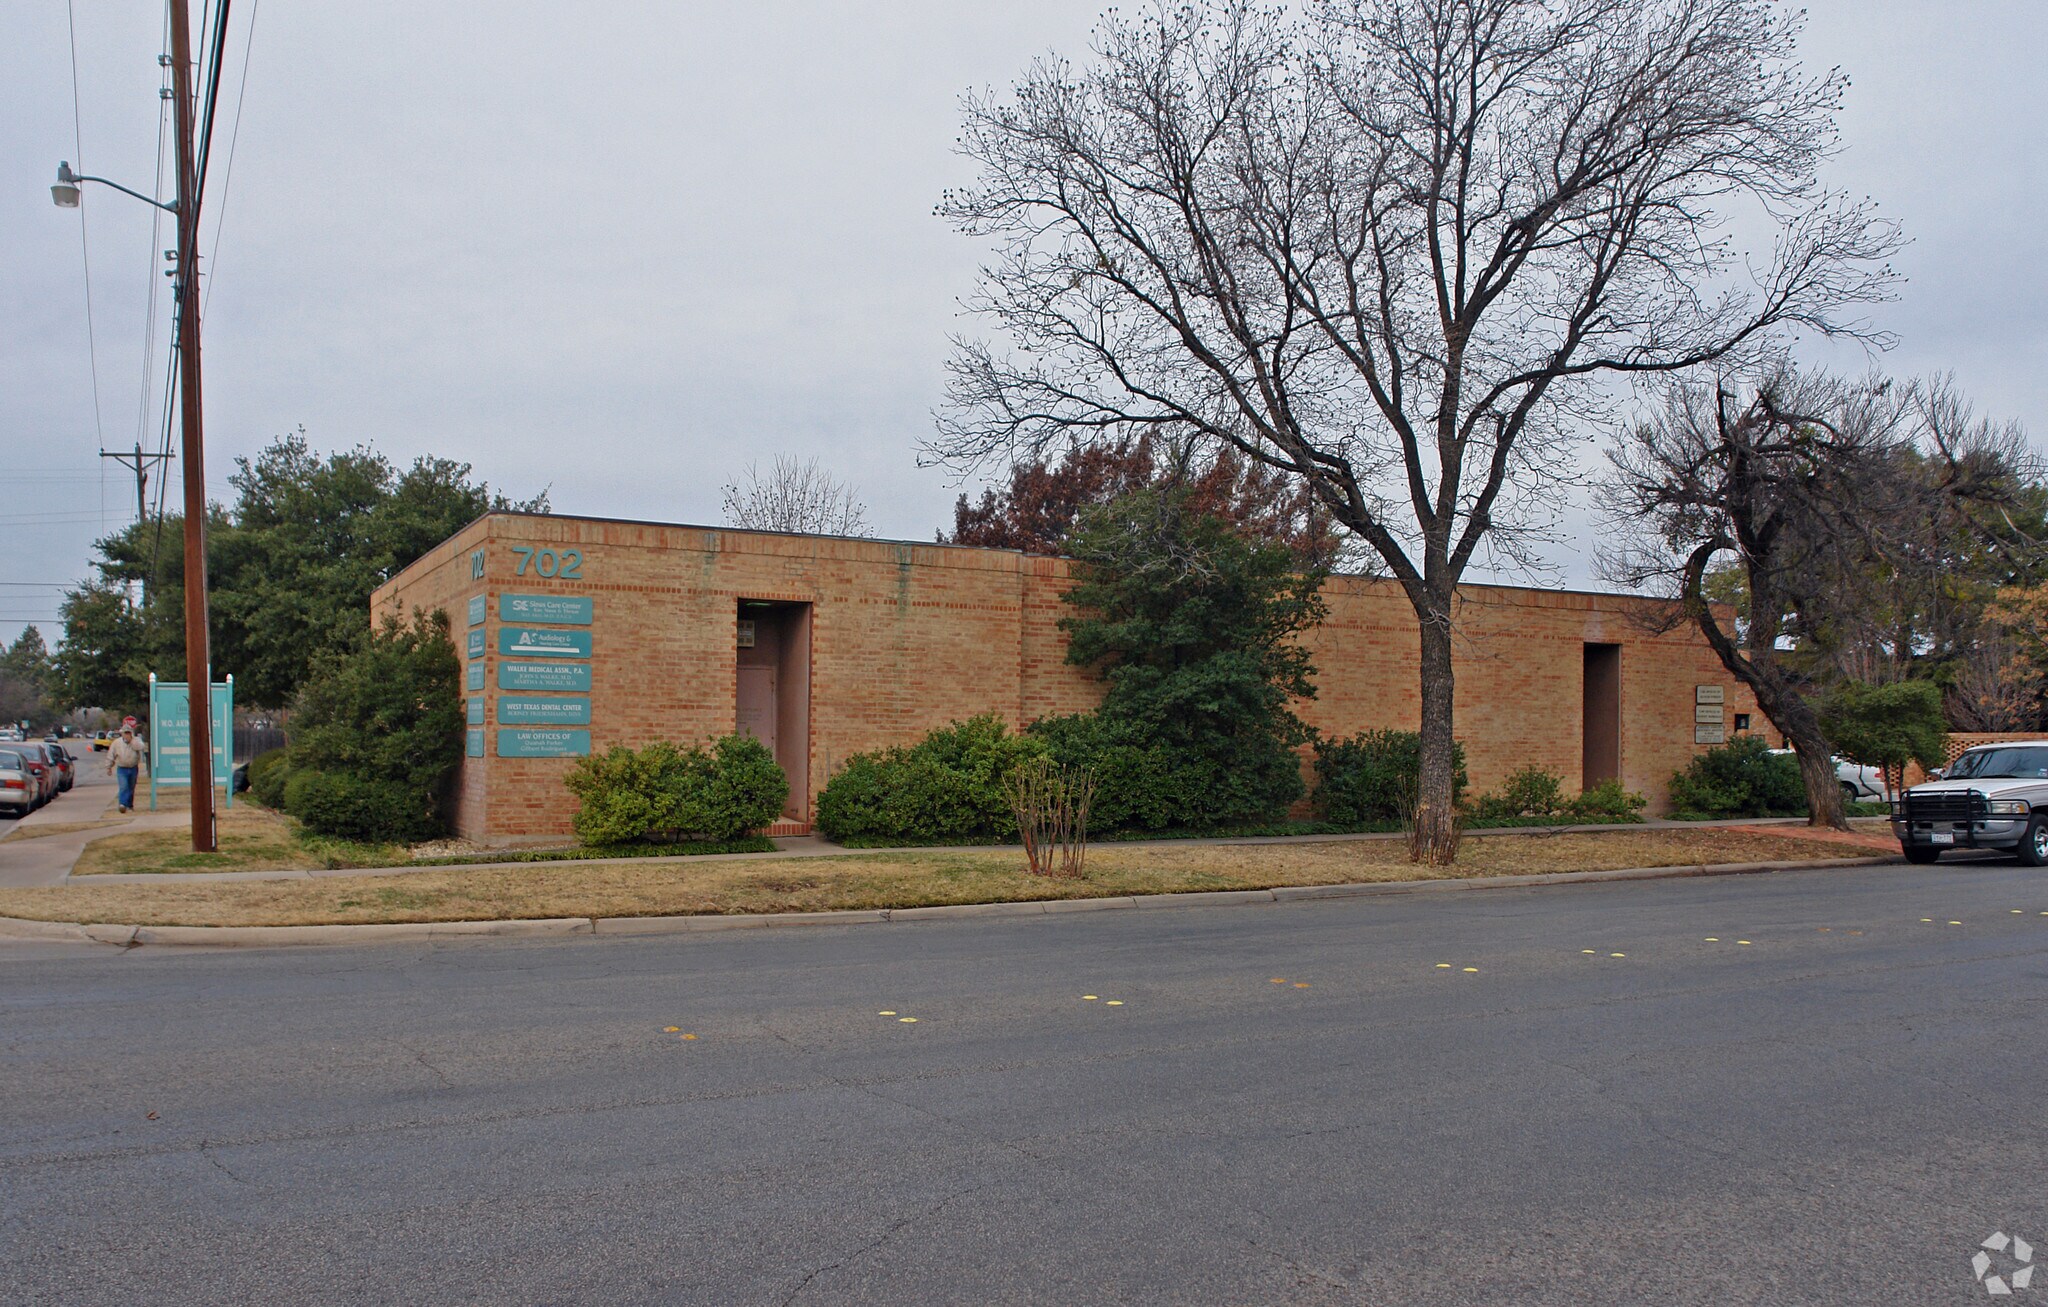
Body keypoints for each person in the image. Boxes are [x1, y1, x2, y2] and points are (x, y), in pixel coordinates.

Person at [106, 726, 147, 813]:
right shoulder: (116, 743)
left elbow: (141, 747)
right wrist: (109, 766)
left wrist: (132, 741)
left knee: (131, 788)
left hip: (133, 768)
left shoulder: (136, 740)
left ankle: (129, 805)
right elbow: (111, 755)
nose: (127, 734)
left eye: (129, 733)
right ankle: (122, 804)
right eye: (125, 733)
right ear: (122, 733)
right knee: (124, 786)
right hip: (122, 768)